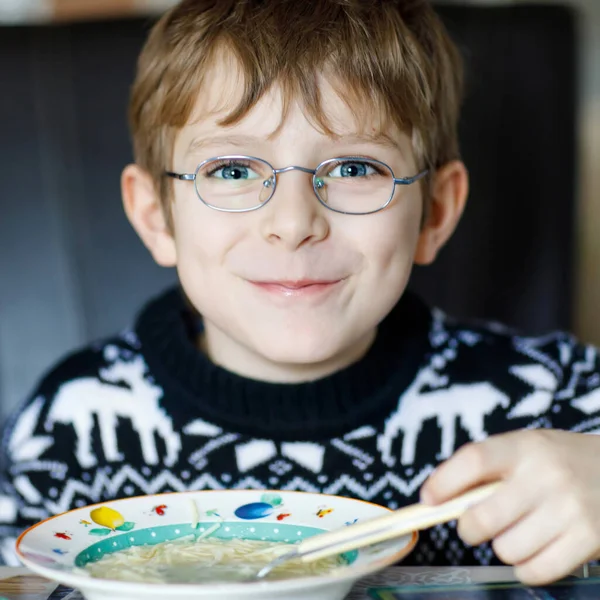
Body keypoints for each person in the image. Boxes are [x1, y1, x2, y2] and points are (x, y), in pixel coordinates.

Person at [1, 0, 600, 584]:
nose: (293, 222)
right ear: (157, 216)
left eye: (354, 168)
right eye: (232, 170)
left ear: (435, 212)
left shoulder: (551, 402)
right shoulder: (71, 424)